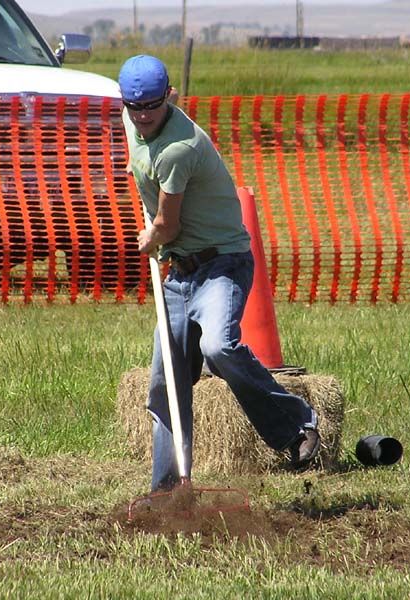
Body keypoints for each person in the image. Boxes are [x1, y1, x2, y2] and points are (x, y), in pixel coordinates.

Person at [118, 54, 320, 492]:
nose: (144, 115)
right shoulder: (130, 118)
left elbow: (168, 226)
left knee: (218, 346)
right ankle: (168, 489)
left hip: (221, 262)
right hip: (179, 272)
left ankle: (297, 425)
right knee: (164, 377)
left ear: (169, 95)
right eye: (136, 107)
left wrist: (152, 235)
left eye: (153, 105)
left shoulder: (180, 146)